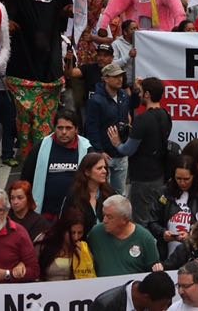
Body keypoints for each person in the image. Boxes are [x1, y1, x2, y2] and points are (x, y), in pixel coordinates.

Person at [109, 77, 173, 225]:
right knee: (156, 217)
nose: (138, 94)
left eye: (141, 91)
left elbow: (128, 150)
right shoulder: (165, 115)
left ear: (147, 94)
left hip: (142, 178)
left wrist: (117, 143)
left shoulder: (142, 120)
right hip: (159, 175)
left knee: (141, 220)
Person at [21, 109, 94, 220]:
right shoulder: (40, 148)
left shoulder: (87, 149)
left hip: (75, 216)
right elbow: (26, 179)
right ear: (54, 128)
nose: (64, 132)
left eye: (68, 128)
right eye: (60, 128)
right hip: (44, 215)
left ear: (76, 129)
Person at [148, 156, 198, 259]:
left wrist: (192, 235)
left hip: (196, 253)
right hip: (167, 252)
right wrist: (162, 233)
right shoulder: (163, 193)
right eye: (178, 179)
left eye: (186, 179)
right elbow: (152, 221)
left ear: (194, 176)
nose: (182, 183)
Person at [85, 62, 132, 196]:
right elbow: (91, 128)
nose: (120, 79)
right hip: (105, 155)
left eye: (121, 76)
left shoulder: (123, 96)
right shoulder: (96, 100)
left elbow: (128, 116)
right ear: (105, 78)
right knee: (101, 194)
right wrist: (99, 151)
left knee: (120, 194)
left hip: (121, 153)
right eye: (115, 76)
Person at [88, 194, 161, 277]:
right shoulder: (95, 233)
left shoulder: (145, 238)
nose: (104, 220)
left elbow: (154, 272)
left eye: (109, 217)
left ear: (125, 220)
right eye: (104, 215)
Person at [35, 207, 96, 281]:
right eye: (72, 233)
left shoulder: (83, 248)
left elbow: (89, 274)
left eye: (80, 233)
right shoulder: (44, 240)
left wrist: (84, 254)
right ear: (63, 230)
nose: (76, 237)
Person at [69, 152, 115, 233]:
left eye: (105, 167)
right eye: (99, 168)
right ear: (87, 172)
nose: (104, 171)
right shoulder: (74, 195)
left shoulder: (110, 194)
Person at [90, 271, 176, 311]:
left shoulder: (162, 294)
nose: (165, 309)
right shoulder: (105, 305)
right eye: (162, 305)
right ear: (146, 298)